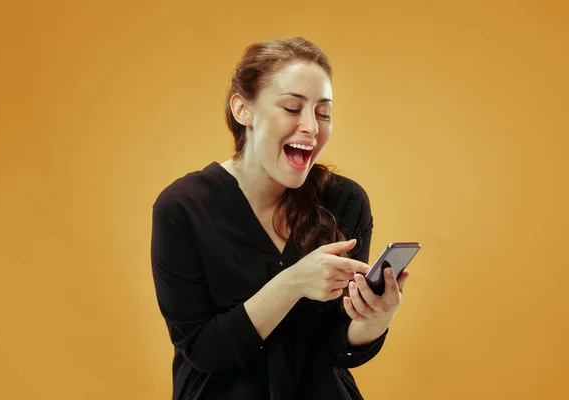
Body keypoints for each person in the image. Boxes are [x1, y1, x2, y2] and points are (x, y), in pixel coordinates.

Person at [150, 37, 409, 400]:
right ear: (243, 110)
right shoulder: (182, 208)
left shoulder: (346, 201)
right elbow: (204, 350)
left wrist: (374, 320)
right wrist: (292, 284)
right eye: (291, 108)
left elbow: (337, 347)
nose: (311, 127)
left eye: (323, 112)